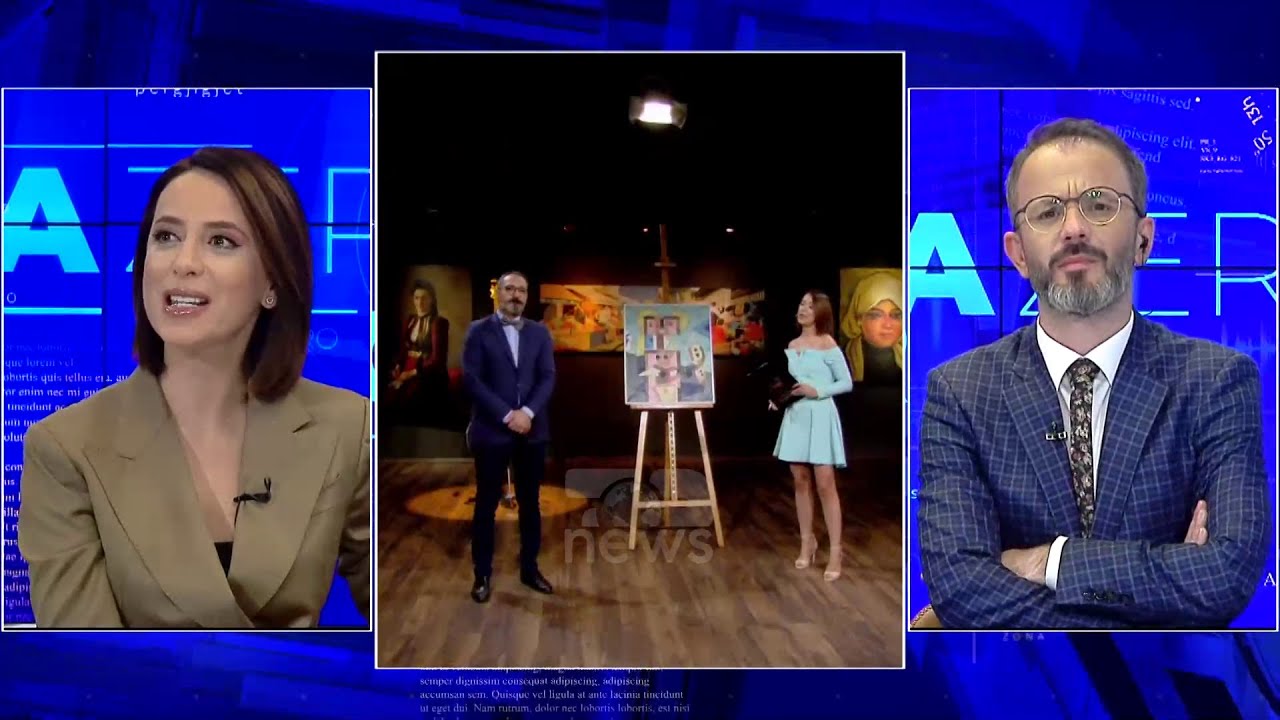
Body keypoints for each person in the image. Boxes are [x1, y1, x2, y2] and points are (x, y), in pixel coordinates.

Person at [917, 118, 1271, 629]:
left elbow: (1225, 576)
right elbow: (959, 586)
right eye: (1047, 212)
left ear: (1144, 239)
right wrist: (1164, 597)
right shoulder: (960, 392)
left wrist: (1049, 562)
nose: (1074, 228)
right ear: (1018, 254)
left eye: (1099, 205)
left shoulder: (1217, 381)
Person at [17, 147, 371, 629]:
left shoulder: (348, 428)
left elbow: (398, 616)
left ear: (272, 280)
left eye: (221, 241)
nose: (183, 262)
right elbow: (92, 662)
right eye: (166, 236)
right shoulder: (64, 449)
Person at [461, 270, 556, 603]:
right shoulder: (477, 331)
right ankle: (482, 575)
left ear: (527, 296)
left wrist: (527, 413)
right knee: (486, 504)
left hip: (532, 431)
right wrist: (507, 415)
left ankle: (530, 569)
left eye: (522, 290)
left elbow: (548, 377)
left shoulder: (540, 333)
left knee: (531, 504)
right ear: (498, 293)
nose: (516, 295)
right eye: (510, 289)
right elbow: (472, 380)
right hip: (492, 431)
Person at [770, 291, 854, 582]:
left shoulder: (828, 344)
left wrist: (818, 391)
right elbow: (790, 383)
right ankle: (807, 543)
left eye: (809, 305)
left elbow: (846, 383)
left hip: (820, 415)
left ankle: (836, 551)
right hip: (796, 416)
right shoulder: (792, 346)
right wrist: (779, 397)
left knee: (825, 483)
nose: (803, 309)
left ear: (820, 312)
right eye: (801, 304)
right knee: (800, 480)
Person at [388, 278, 451, 425]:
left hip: (428, 373)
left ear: (432, 300)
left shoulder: (439, 323)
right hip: (408, 368)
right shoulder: (410, 320)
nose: (420, 303)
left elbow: (437, 360)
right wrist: (398, 366)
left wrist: (409, 374)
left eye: (424, 298)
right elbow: (403, 349)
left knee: (413, 399)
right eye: (416, 298)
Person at [840, 271, 903, 384]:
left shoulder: (916, 358)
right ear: (859, 319)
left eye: (896, 315)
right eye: (876, 315)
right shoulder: (841, 359)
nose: (888, 325)